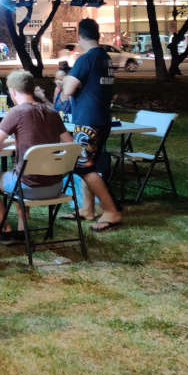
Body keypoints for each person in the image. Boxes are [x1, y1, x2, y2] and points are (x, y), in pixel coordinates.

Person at [0, 70, 75, 239]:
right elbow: (71, 145)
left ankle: (7, 230)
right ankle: (23, 230)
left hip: (28, 188)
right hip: (56, 187)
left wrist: (11, 141)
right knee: (23, 171)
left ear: (13, 91)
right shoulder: (52, 112)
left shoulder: (16, 112)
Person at [59, 18, 123, 232]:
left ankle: (111, 210)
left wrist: (65, 80)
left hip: (87, 122)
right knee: (88, 165)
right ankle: (88, 209)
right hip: (102, 119)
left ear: (79, 37)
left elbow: (68, 90)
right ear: (98, 35)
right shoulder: (105, 58)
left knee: (83, 167)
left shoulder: (85, 59)